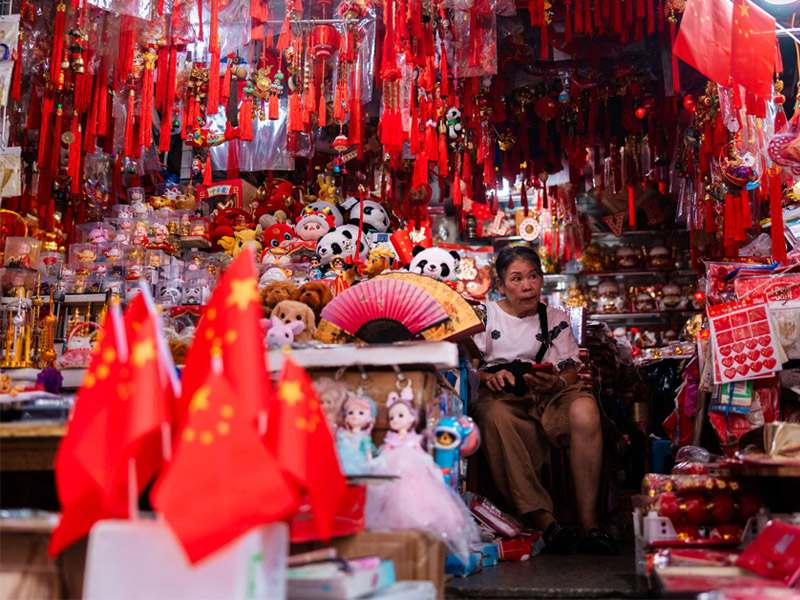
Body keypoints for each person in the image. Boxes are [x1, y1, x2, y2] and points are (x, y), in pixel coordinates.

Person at [470, 245, 618, 555]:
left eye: (533, 276)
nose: (527, 286)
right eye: (516, 279)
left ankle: (589, 524)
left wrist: (557, 382)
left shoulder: (555, 318)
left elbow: (571, 372)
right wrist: (487, 378)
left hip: (548, 394)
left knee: (585, 408)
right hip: (505, 397)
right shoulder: (485, 317)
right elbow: (469, 368)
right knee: (495, 417)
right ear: (500, 285)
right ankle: (546, 522)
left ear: (541, 280)